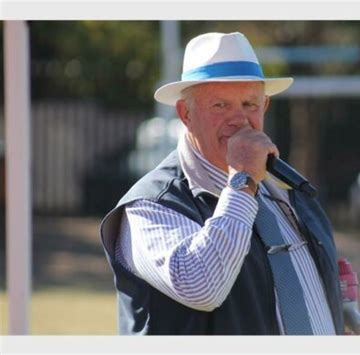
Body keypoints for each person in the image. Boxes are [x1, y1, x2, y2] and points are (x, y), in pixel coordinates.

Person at [100, 32, 344, 335]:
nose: (238, 119)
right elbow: (202, 288)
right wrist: (241, 179)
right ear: (185, 113)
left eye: (249, 104)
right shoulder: (151, 204)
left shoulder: (287, 192)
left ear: (265, 106)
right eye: (220, 106)